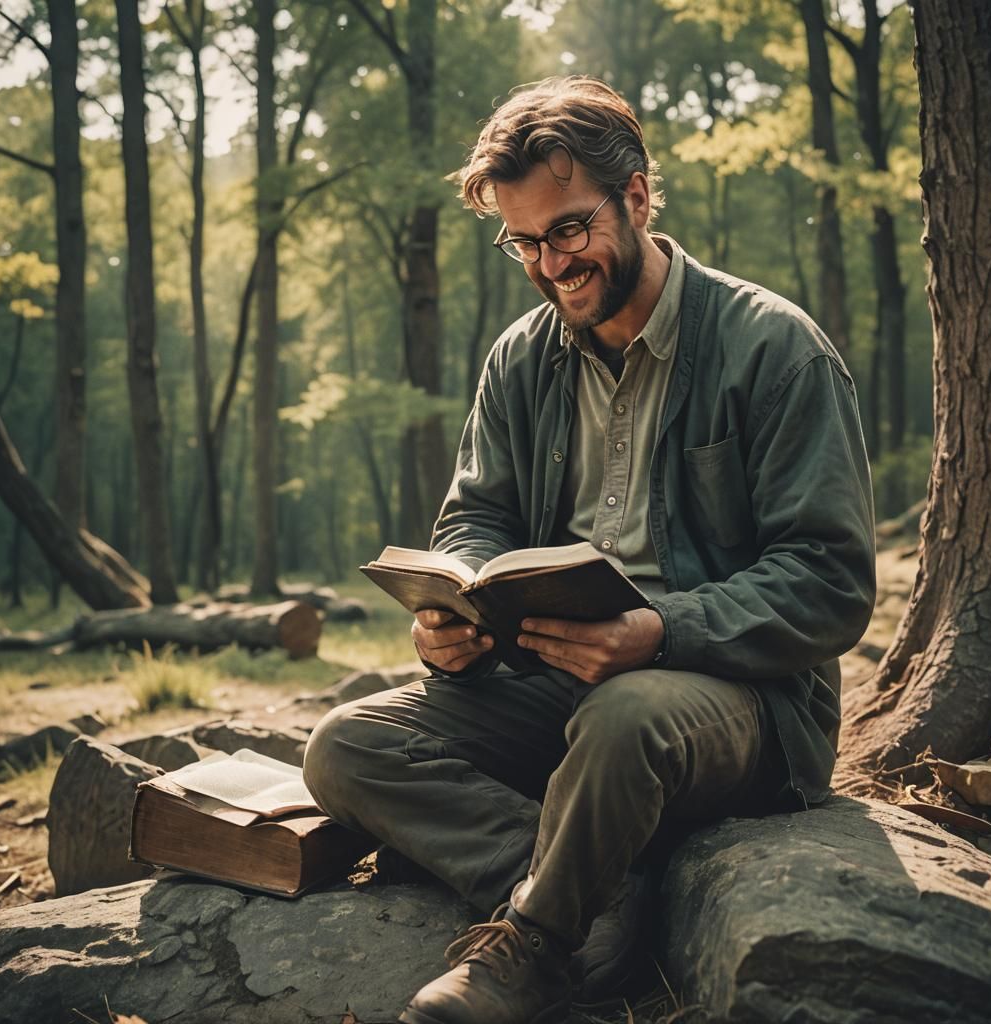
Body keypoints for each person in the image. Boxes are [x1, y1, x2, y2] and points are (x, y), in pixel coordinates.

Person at [303, 75, 876, 1024]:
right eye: (523, 242)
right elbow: (475, 519)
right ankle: (593, 896)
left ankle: (535, 946)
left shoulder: (775, 349)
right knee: (347, 744)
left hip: (739, 696)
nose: (548, 264)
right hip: (545, 678)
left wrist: (658, 631)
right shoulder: (520, 358)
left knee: (624, 719)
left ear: (639, 198)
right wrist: (454, 612)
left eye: (568, 230)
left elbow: (831, 581)